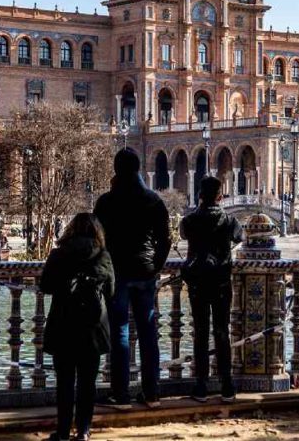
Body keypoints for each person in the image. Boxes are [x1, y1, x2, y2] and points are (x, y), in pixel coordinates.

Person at [93, 148, 170, 409]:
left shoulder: (106, 202)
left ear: (115, 169)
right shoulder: (154, 200)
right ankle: (152, 393)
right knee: (149, 333)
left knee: (120, 333)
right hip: (145, 272)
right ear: (139, 168)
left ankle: (121, 394)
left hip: (117, 274)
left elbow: (97, 241)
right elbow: (166, 239)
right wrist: (155, 266)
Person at [41, 213, 115, 441]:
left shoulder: (58, 254)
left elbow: (46, 286)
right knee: (87, 383)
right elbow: (111, 292)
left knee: (64, 382)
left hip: (63, 324)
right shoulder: (103, 256)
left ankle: (63, 431)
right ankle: (83, 430)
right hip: (92, 327)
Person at [179, 175, 242, 404]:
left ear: (199, 195)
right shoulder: (229, 220)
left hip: (197, 283)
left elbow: (183, 234)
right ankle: (226, 385)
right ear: (220, 196)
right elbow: (240, 236)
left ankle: (201, 385)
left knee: (201, 333)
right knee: (222, 332)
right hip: (222, 282)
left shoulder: (189, 220)